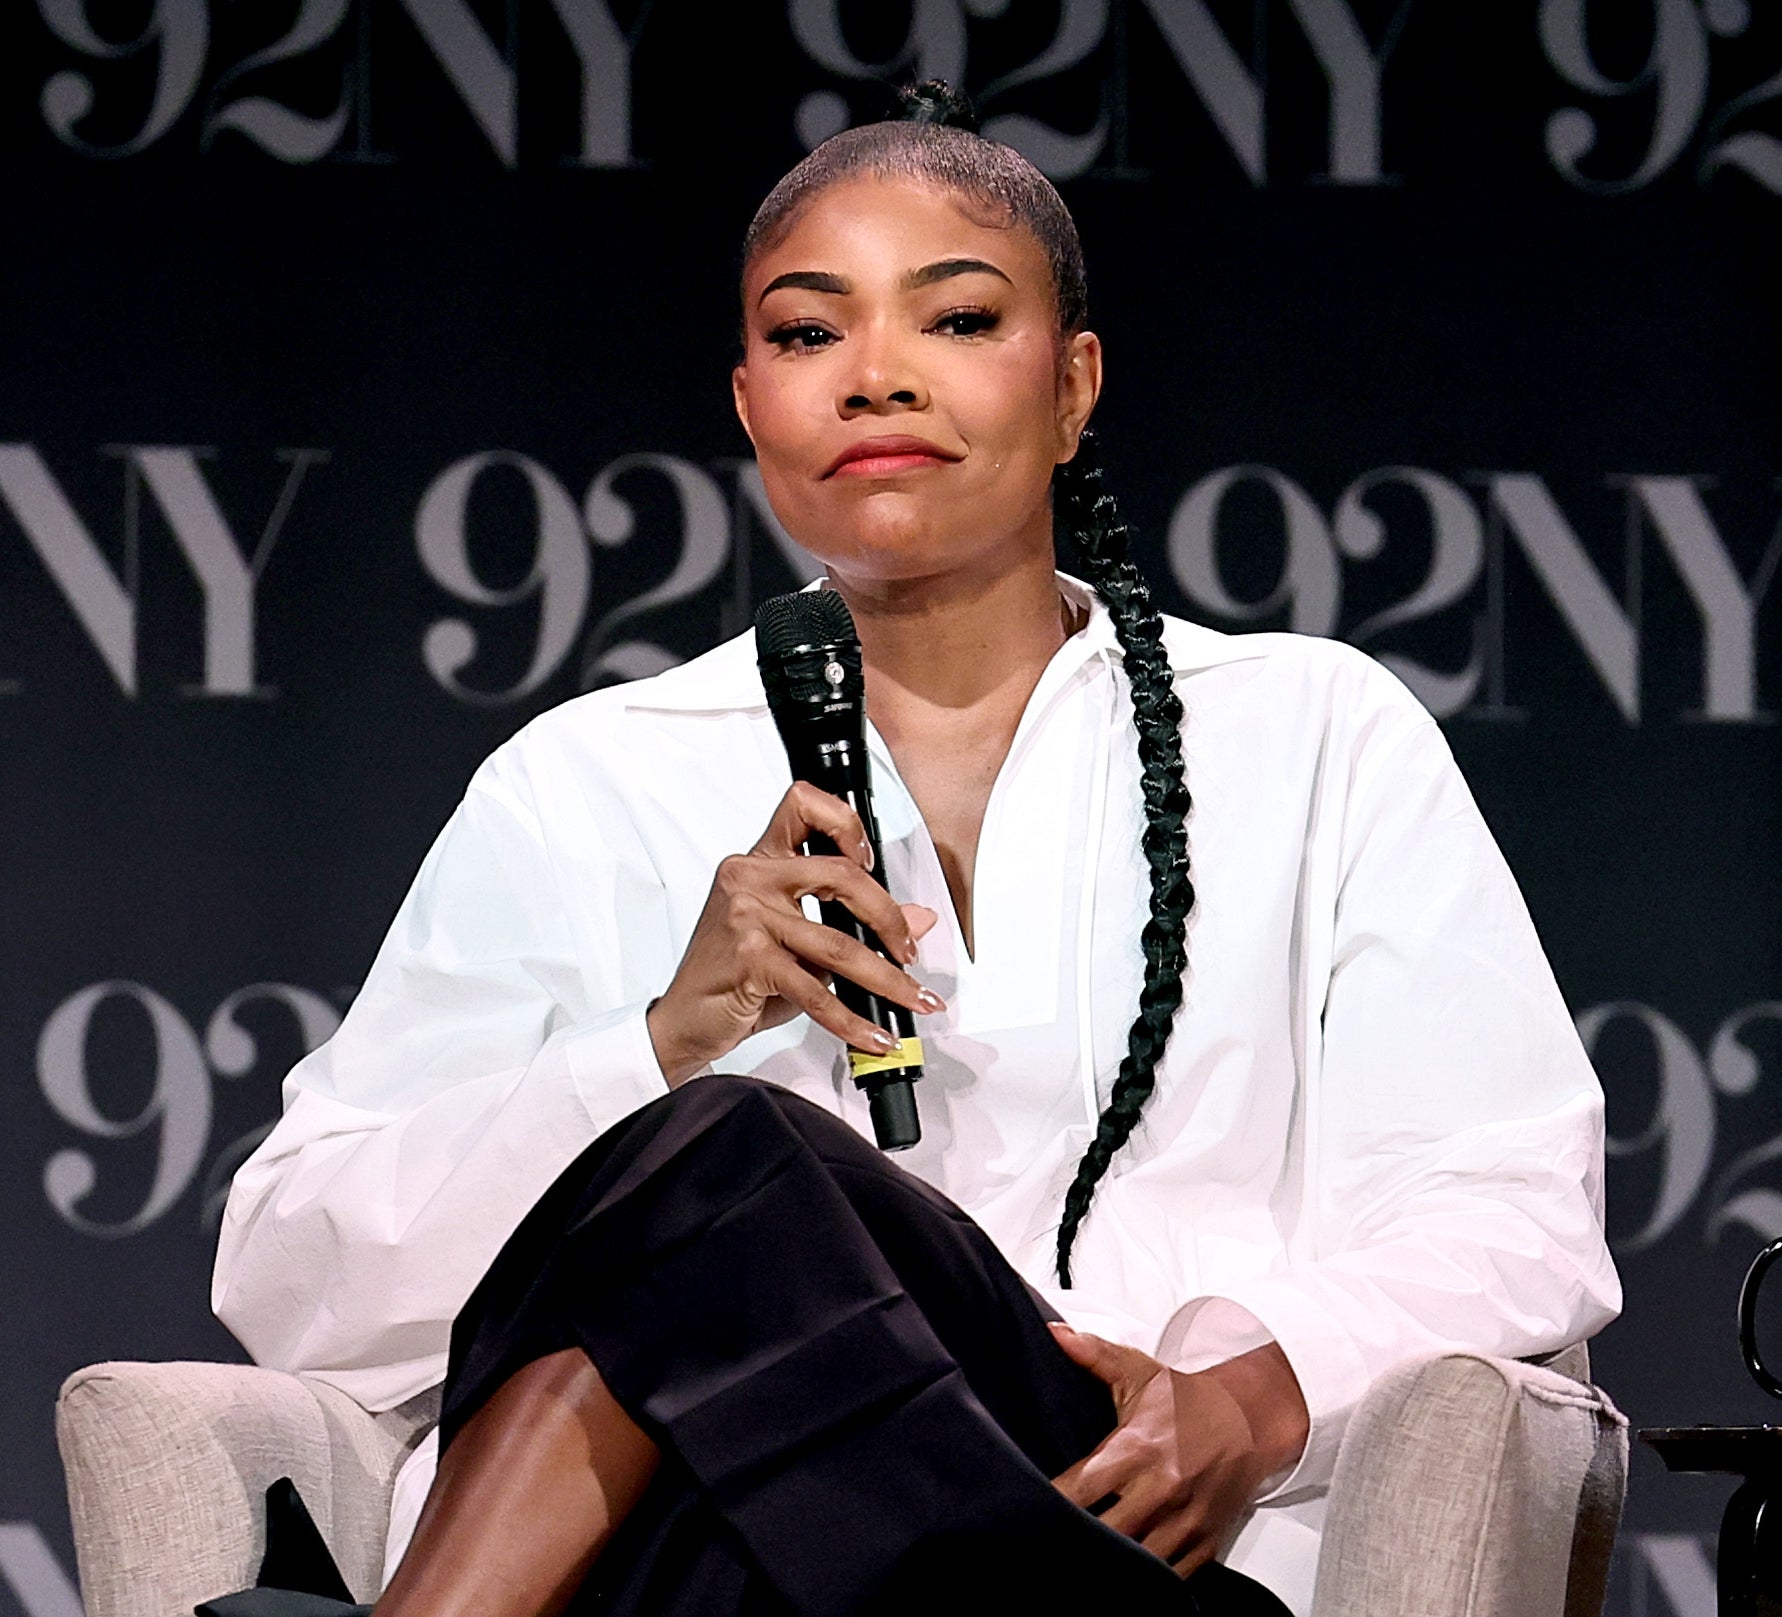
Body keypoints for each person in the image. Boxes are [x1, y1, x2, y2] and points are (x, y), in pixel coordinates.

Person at [212, 84, 1620, 1617]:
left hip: (1114, 1531)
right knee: (719, 1229)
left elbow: (1508, 1202)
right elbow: (292, 1272)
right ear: (748, 403)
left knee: (746, 1169)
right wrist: (663, 1043)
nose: (874, 378)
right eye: (809, 336)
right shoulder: (583, 780)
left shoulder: (1311, 733)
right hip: (723, 1558)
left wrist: (1251, 1396)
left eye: (952, 320)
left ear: (1074, 385)